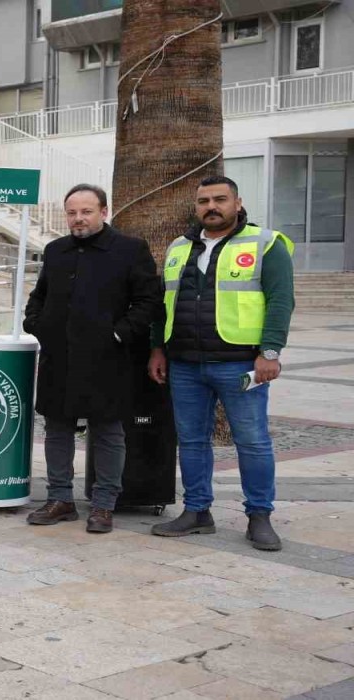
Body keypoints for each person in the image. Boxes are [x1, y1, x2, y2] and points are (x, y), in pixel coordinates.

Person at [149, 175, 295, 551]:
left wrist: (270, 352)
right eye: (203, 201)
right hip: (184, 363)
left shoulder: (266, 244)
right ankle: (197, 511)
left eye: (219, 199)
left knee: (253, 442)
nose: (211, 207)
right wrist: (158, 349)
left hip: (240, 363)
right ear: (196, 207)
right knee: (193, 442)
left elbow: (281, 301)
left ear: (237, 202)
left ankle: (259, 516)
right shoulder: (179, 247)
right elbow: (162, 304)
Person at [23, 184, 162, 534]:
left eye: (86, 211)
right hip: (60, 357)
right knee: (57, 428)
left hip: (108, 358)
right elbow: (39, 296)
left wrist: (118, 334)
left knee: (108, 431)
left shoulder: (130, 249)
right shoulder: (56, 250)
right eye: (72, 212)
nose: (78, 218)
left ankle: (103, 505)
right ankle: (60, 499)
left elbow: (148, 302)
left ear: (103, 211)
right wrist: (37, 325)